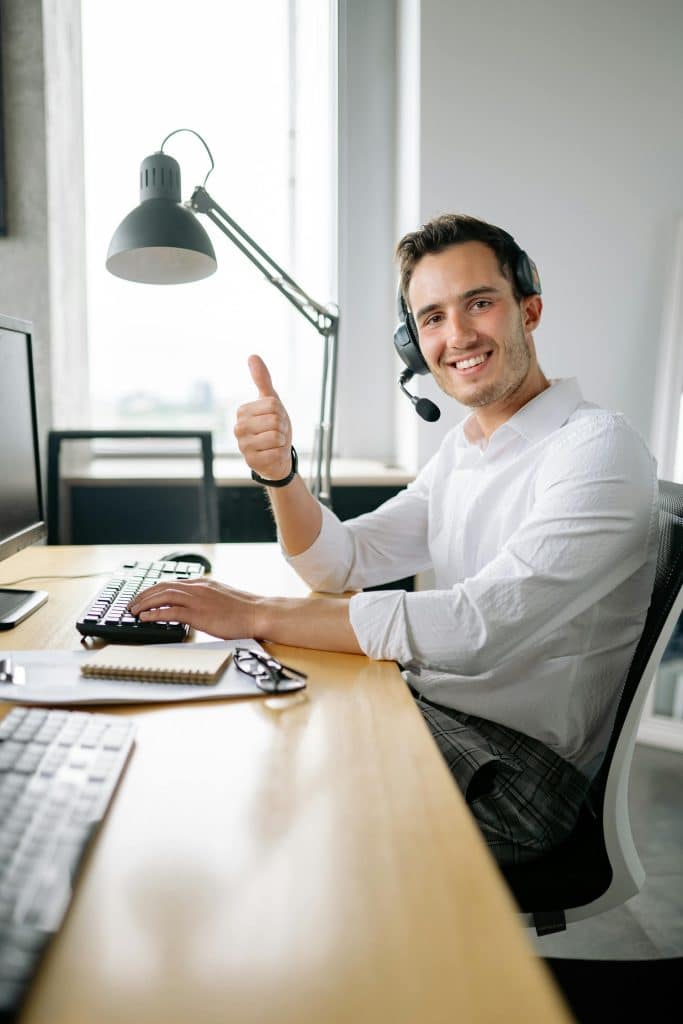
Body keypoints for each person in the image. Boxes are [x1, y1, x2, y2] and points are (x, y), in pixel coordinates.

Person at [130, 214, 658, 866]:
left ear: (529, 310)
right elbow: (340, 564)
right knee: (244, 741)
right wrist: (280, 474)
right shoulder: (466, 451)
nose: (457, 334)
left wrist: (255, 613)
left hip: (518, 774)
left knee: (260, 805)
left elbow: (477, 626)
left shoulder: (596, 446)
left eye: (479, 304)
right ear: (413, 342)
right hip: (437, 713)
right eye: (431, 317)